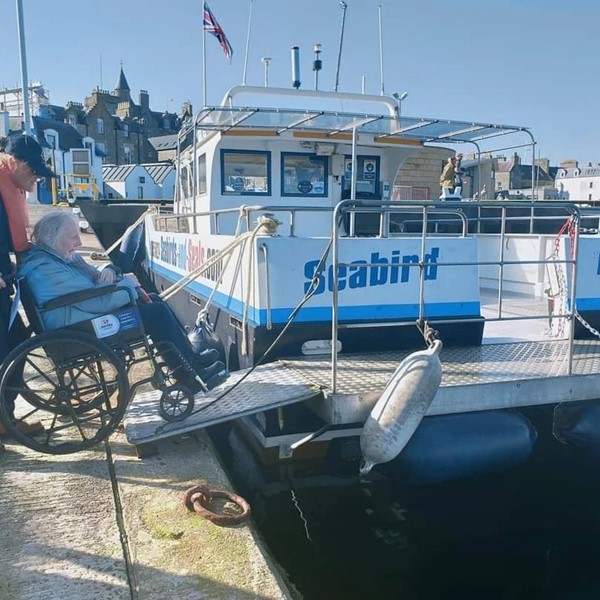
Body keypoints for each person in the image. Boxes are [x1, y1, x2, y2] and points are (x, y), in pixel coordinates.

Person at [18, 211, 227, 391]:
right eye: (73, 237)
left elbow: (89, 278)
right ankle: (188, 377)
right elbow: (95, 302)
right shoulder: (47, 271)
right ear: (53, 238)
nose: (80, 242)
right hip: (79, 330)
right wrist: (128, 286)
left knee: (153, 300)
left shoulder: (54, 259)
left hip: (80, 321)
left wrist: (110, 270)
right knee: (157, 313)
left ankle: (190, 361)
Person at [0, 135, 56, 444]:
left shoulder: (8, 187)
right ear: (17, 163)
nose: (36, 179)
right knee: (6, 350)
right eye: (34, 171)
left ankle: (4, 417)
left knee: (17, 343)